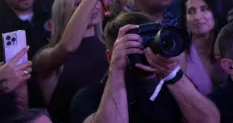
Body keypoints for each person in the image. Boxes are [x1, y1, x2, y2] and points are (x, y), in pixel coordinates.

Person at [67, 11, 219, 123]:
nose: (146, 51)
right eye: (135, 46)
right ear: (110, 56)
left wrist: (172, 73)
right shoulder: (90, 96)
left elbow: (210, 120)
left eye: (150, 43)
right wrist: (117, 69)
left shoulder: (173, 86)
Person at [33, 0, 127, 123]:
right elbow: (67, 47)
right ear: (63, 8)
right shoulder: (45, 56)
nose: (93, 6)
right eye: (80, 3)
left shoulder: (113, 46)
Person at [181, 0, 226, 95]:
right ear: (185, 19)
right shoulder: (181, 54)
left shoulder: (229, 45)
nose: (197, 17)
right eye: (191, 11)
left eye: (204, 9)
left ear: (215, 12)